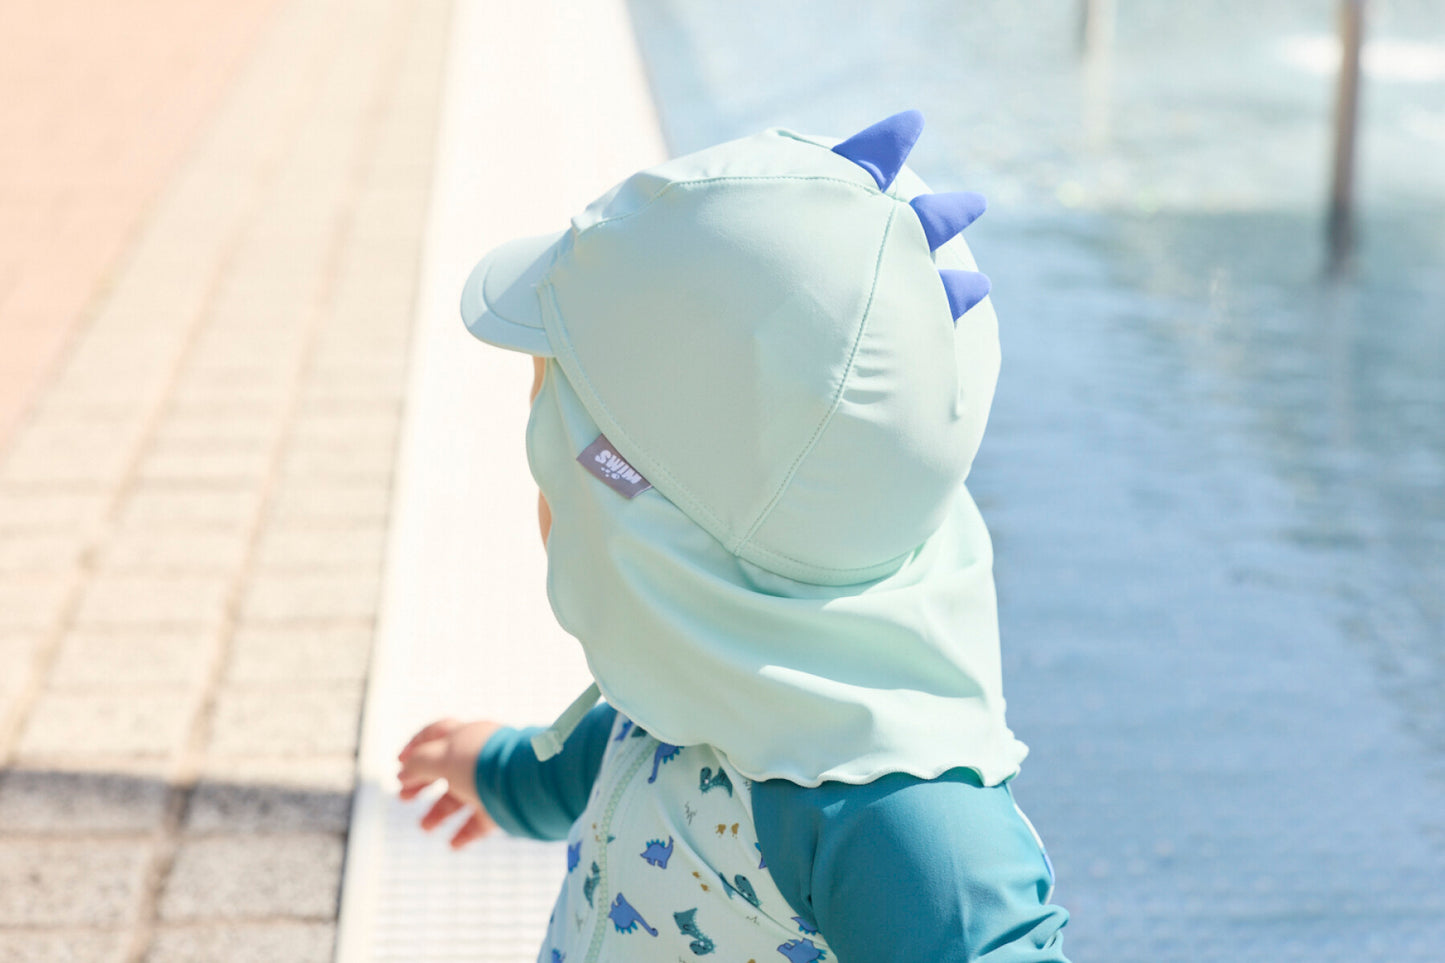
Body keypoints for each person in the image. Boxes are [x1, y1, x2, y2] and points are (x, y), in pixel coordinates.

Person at [396, 110, 1070, 961]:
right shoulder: (700, 669)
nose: (547, 492)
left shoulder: (905, 825)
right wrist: (500, 773)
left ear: (643, 523)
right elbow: (609, 756)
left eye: (557, 466)